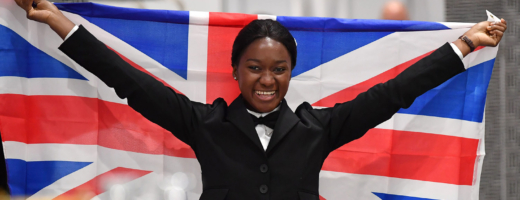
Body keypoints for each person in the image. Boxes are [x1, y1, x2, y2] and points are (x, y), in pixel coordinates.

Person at [15, 0, 507, 199]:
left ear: (292, 73)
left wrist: (463, 45)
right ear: (235, 72)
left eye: (278, 69)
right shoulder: (203, 123)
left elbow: (395, 92)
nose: (266, 80)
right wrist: (59, 21)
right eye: (254, 68)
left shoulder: (321, 128)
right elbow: (127, 80)